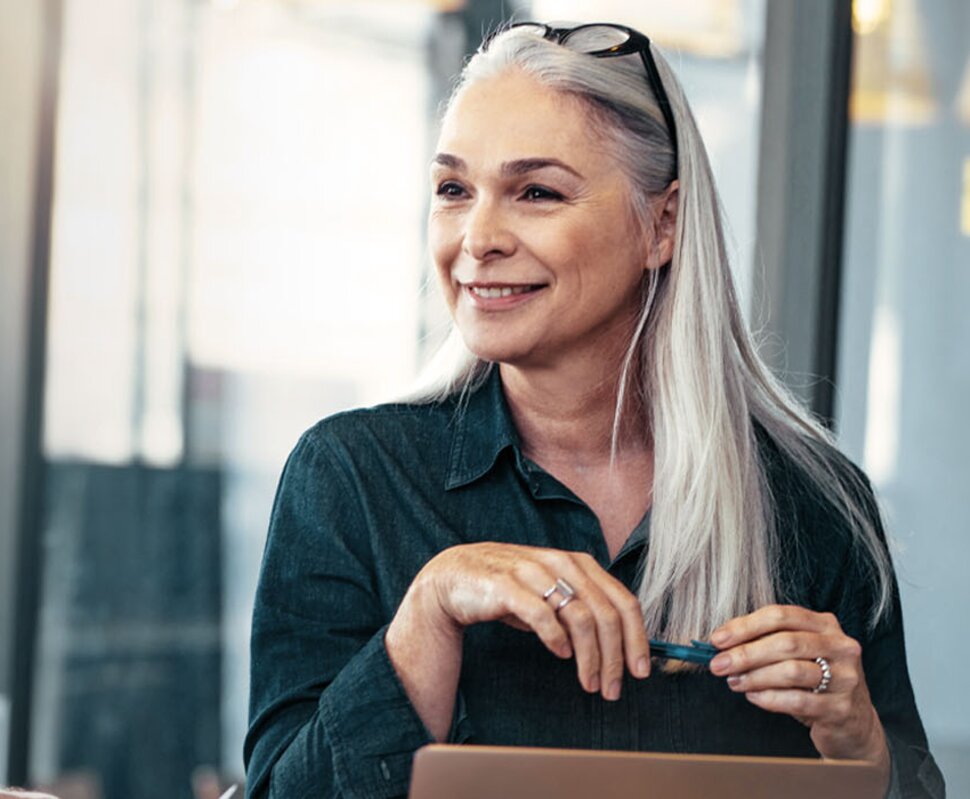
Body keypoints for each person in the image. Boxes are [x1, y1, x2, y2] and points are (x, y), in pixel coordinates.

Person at [243, 21, 945, 799]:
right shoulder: (350, 478)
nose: (476, 238)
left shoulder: (816, 501)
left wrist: (862, 750)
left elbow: (912, 784)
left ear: (664, 224)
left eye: (536, 192)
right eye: (453, 190)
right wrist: (429, 613)